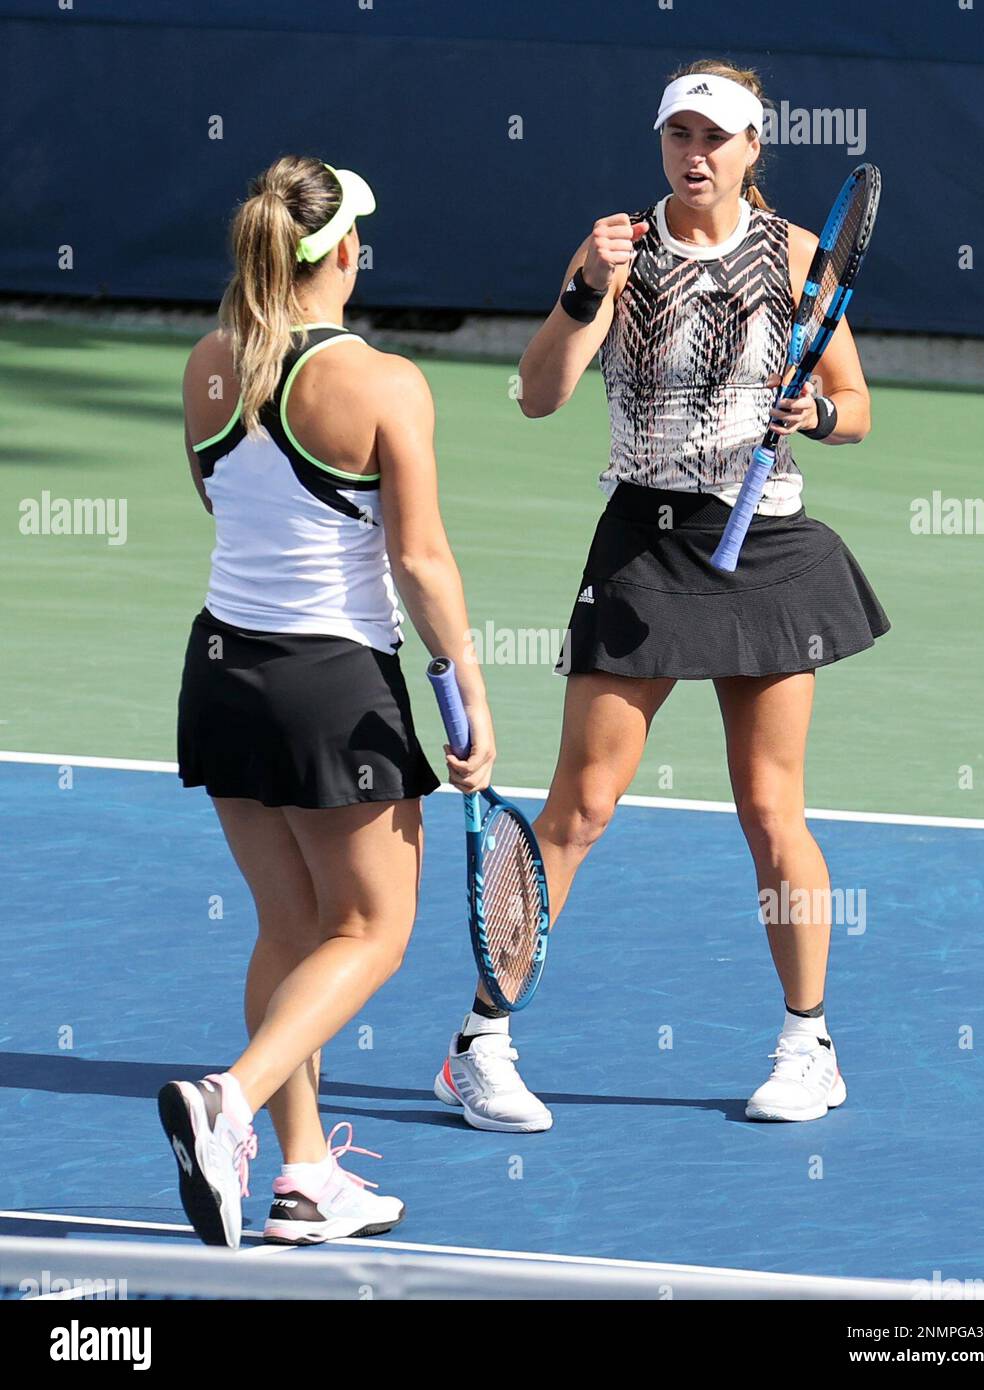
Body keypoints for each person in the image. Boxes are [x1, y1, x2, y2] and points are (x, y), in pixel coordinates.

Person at [435, 61, 889, 1130]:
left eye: (715, 137)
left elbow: (855, 402)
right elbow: (540, 395)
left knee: (772, 810)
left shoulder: (792, 255)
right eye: (678, 133)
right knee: (578, 807)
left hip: (765, 543)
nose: (695, 153)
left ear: (750, 149)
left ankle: (805, 1042)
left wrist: (812, 420)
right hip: (644, 540)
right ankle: (478, 1044)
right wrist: (581, 289)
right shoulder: (617, 253)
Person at [160, 155, 494, 1247]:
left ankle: (304, 1176)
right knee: (372, 928)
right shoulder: (387, 382)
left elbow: (219, 500)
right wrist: (463, 694)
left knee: (292, 926)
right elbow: (422, 560)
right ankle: (230, 1102)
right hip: (331, 691)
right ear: (341, 251)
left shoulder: (208, 367)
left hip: (220, 675)